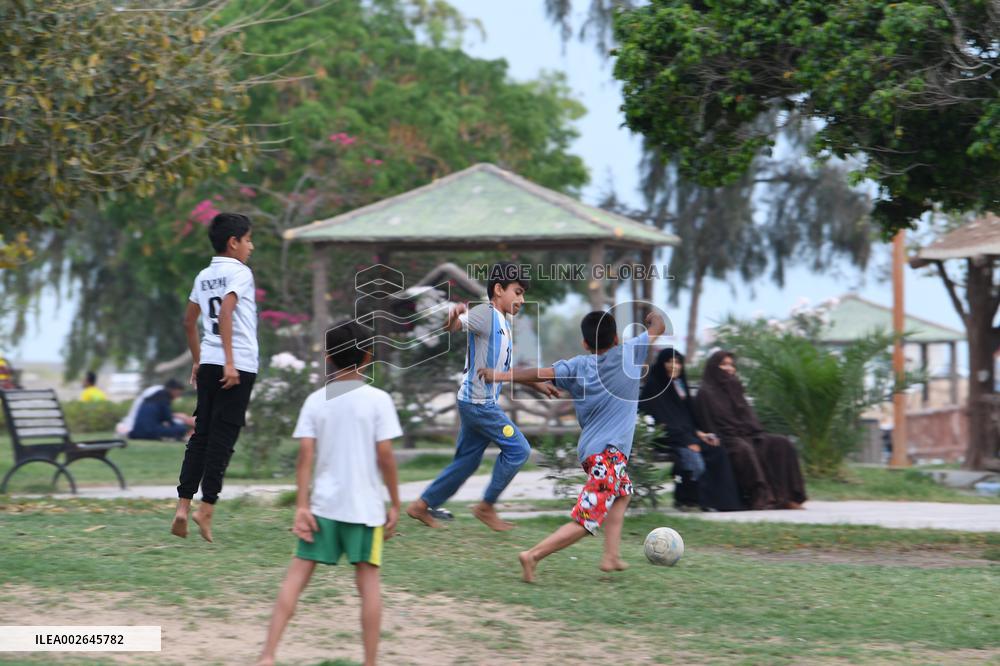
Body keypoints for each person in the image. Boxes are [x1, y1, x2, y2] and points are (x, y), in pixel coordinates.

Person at [481, 310, 665, 582]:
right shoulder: (630, 353)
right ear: (615, 338)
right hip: (609, 454)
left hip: (595, 452)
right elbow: (658, 326)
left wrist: (499, 376)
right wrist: (651, 318)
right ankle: (532, 555)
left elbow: (538, 373)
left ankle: (610, 556)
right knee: (587, 521)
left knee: (623, 493)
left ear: (585, 344)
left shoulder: (578, 366)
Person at [256, 320, 401, 666]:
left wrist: (301, 506)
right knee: (368, 587)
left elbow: (305, 456)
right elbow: (385, 456)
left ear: (328, 357)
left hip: (322, 508)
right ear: (368, 357)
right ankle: (370, 662)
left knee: (294, 580)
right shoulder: (378, 400)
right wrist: (395, 503)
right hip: (364, 511)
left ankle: (267, 654)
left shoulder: (315, 401)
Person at [406, 262, 557, 531]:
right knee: (519, 450)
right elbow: (453, 327)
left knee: (467, 462)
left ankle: (422, 505)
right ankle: (486, 507)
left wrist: (537, 384)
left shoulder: (503, 323)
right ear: (498, 289)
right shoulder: (486, 314)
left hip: (472, 403)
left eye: (523, 294)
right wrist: (454, 316)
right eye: (518, 292)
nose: (522, 300)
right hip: (479, 405)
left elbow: (504, 368)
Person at [171, 212, 258, 542]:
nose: (251, 246)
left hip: (208, 362)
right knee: (223, 438)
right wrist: (232, 363)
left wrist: (198, 360)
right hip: (237, 365)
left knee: (201, 436)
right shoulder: (241, 273)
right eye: (248, 240)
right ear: (233, 242)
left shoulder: (204, 275)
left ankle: (182, 506)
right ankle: (205, 509)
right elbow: (225, 312)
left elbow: (187, 322)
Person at [695, 350, 807, 510]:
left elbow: (748, 416)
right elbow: (708, 424)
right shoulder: (705, 393)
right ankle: (762, 497)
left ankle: (786, 497)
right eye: (724, 364)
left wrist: (751, 430)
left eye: (731, 365)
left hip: (748, 434)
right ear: (714, 367)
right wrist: (730, 434)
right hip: (725, 438)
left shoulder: (735, 388)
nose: (729, 368)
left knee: (782, 443)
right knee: (743, 449)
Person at [639, 348, 742, 512]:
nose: (675, 366)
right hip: (667, 438)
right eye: (670, 361)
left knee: (718, 451)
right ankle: (690, 499)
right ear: (661, 364)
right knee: (694, 457)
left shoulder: (679, 386)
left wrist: (701, 434)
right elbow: (660, 422)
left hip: (687, 435)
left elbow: (687, 417)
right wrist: (687, 441)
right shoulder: (654, 387)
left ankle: (721, 503)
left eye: (678, 362)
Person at [127, 379, 193, 441]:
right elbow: (168, 419)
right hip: (149, 432)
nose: (178, 396)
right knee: (181, 428)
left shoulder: (154, 397)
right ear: (173, 390)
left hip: (136, 432)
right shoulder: (164, 398)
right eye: (178, 394)